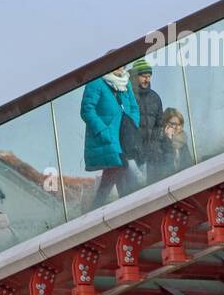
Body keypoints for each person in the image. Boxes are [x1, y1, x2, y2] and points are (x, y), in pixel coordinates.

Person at [81, 65, 140, 208]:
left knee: (117, 169)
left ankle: (109, 207)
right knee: (119, 166)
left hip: (124, 135)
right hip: (108, 137)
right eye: (117, 64)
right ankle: (124, 206)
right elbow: (86, 110)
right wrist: (103, 131)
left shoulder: (125, 82)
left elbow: (134, 106)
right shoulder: (96, 83)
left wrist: (133, 123)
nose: (121, 67)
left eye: (123, 65)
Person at [130, 58, 165, 188]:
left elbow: (159, 123)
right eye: (144, 76)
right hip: (133, 154)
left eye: (149, 76)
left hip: (152, 153)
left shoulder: (155, 98)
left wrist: (155, 145)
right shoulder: (127, 95)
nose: (147, 80)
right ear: (135, 76)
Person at [149, 107, 189, 183]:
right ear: (165, 124)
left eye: (179, 124)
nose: (177, 127)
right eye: (173, 124)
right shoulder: (157, 143)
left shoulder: (182, 143)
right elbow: (166, 170)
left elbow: (188, 164)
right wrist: (168, 140)